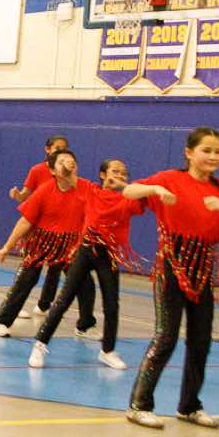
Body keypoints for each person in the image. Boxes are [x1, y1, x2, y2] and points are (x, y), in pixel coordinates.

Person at [122, 127, 219, 429]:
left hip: (203, 271)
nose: (213, 156)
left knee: (201, 341)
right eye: (206, 150)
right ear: (189, 152)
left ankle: (189, 406)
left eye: (218, 151)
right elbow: (129, 191)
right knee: (166, 337)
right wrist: (154, 191)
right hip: (172, 267)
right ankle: (139, 404)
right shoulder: (170, 178)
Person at [33, 159, 144, 370]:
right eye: (115, 171)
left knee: (112, 304)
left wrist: (123, 186)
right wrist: (66, 164)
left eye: (124, 173)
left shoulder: (128, 199)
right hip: (86, 250)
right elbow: (66, 175)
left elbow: (144, 195)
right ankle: (40, 344)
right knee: (64, 299)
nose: (120, 175)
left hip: (108, 255)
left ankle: (107, 351)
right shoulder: (90, 190)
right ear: (103, 174)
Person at [0, 148, 87, 353]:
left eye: (72, 160)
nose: (69, 163)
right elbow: (25, 221)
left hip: (71, 245)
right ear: (52, 170)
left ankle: (86, 325)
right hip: (43, 242)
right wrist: (7, 246)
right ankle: (2, 321)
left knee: (84, 283)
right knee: (27, 279)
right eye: (62, 161)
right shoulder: (44, 190)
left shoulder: (85, 189)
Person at [10, 134, 94, 327]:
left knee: (57, 272)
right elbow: (26, 196)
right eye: (57, 148)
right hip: (40, 229)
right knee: (29, 270)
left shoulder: (72, 175)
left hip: (64, 232)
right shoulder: (38, 171)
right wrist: (19, 196)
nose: (61, 151)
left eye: (65, 148)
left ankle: (44, 305)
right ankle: (12, 307)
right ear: (48, 150)